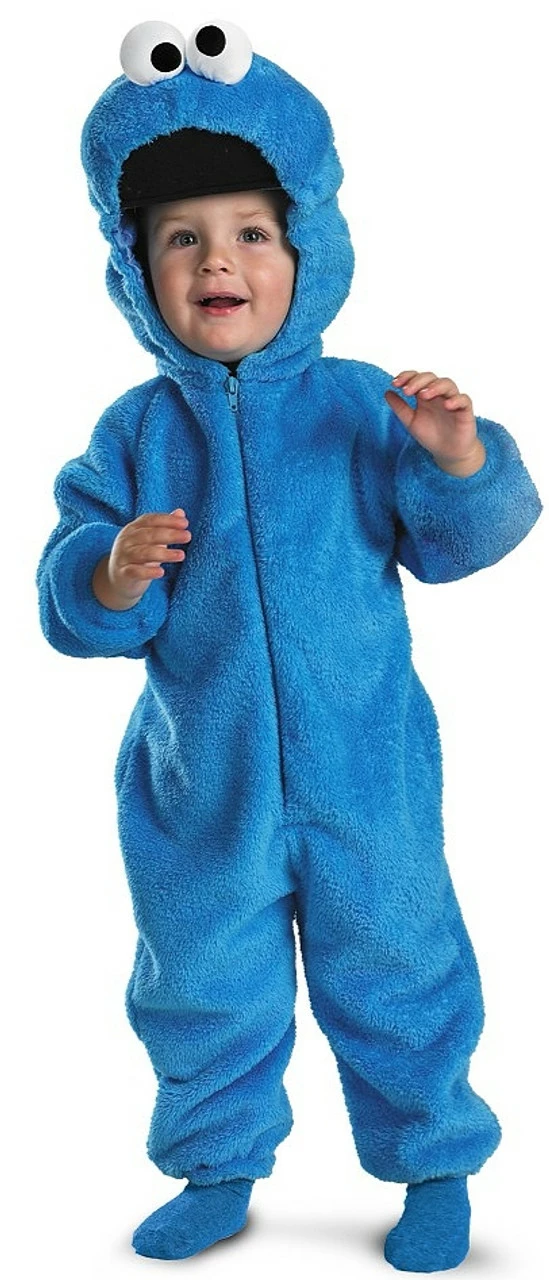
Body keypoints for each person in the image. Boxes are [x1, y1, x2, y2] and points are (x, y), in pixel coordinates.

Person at [36, 18, 542, 1272]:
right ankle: (217, 1163)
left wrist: (460, 460)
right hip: (201, 783)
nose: (219, 258)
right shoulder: (136, 432)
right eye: (182, 238)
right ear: (135, 267)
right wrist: (108, 570)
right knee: (202, 977)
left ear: (306, 247)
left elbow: (461, 541)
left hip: (366, 770)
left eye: (251, 233)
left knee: (400, 957)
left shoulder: (361, 402)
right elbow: (74, 599)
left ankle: (434, 1159)